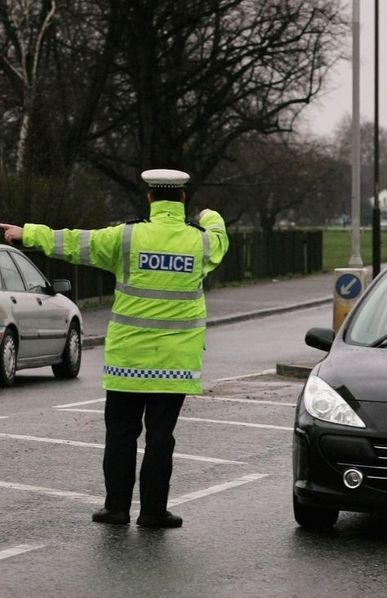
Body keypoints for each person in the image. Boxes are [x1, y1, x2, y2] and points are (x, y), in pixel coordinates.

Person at [0, 169, 228, 528]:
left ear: (149, 199)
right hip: (175, 364)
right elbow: (219, 235)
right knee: (160, 438)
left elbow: (74, 242)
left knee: (121, 434)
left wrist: (27, 233)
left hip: (128, 361)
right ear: (182, 199)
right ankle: (153, 512)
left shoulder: (126, 238)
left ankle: (117, 508)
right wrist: (209, 215)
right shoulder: (200, 243)